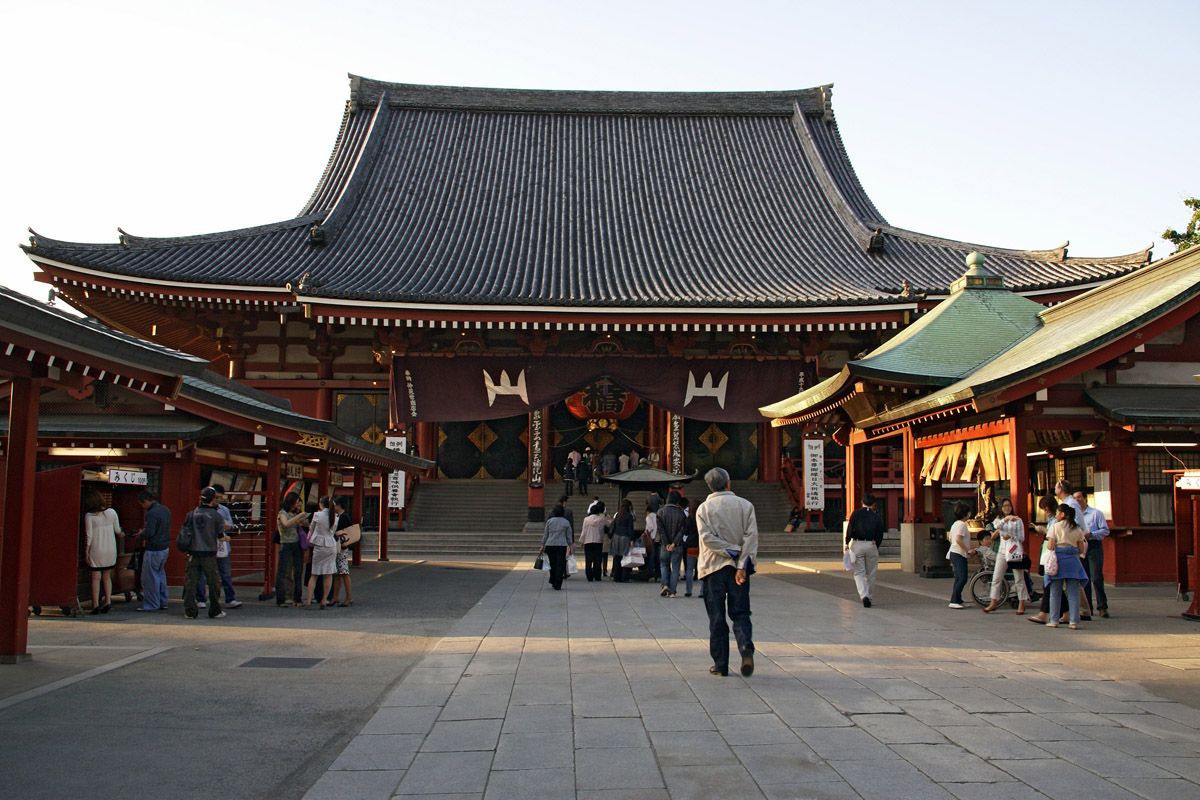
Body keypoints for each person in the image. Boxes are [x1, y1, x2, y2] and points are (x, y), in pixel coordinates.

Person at [696, 467, 758, 677]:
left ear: (709, 486)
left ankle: (721, 664)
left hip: (712, 568)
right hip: (738, 570)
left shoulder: (703, 509)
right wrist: (741, 563)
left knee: (717, 616)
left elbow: (707, 539)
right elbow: (751, 539)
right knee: (740, 613)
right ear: (728, 483)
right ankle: (745, 646)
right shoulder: (746, 505)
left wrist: (729, 551)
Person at [181, 487, 226, 620]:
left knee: (191, 582)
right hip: (209, 553)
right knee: (213, 582)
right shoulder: (216, 516)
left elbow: (185, 532)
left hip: (193, 553)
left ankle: (190, 611)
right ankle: (215, 610)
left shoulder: (191, 514)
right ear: (213, 499)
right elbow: (220, 535)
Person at [1044, 502, 1090, 629]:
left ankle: (1054, 620)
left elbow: (1050, 545)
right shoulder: (1077, 529)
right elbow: (1081, 549)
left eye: (1058, 512)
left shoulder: (1055, 526)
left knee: (1055, 591)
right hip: (1073, 561)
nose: (1056, 515)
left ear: (1063, 514)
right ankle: (1074, 621)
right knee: (1073, 592)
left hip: (1058, 560)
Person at [196, 484, 242, 609]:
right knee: (203, 574)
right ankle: (201, 598)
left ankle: (230, 598)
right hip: (207, 544)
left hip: (221, 546)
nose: (217, 500)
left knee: (225, 573)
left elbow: (230, 526)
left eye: (220, 498)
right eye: (216, 497)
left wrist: (226, 527)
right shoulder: (200, 511)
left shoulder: (224, 510)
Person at [984, 498, 1030, 615]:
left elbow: (1022, 537)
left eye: (1008, 506)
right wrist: (1005, 519)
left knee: (1019, 578)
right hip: (1002, 552)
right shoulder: (999, 520)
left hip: (1014, 551)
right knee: (996, 577)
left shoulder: (1018, 520)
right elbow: (997, 526)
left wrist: (1011, 536)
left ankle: (1021, 603)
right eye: (1004, 506)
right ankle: (993, 601)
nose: (1007, 508)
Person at [83, 491, 122, 614]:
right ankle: (108, 601)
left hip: (97, 547)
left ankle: (95, 604)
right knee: (107, 576)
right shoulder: (112, 512)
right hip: (110, 547)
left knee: (96, 577)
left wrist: (86, 551)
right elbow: (117, 530)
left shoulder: (89, 516)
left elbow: (89, 536)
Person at [1075, 490, 1110, 618]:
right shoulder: (1074, 515)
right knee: (1084, 578)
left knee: (1096, 577)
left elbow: (1105, 530)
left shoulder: (1096, 513)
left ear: (1085, 498)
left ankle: (1102, 606)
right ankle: (1087, 608)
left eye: (1079, 497)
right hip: (1080, 547)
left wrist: (1092, 534)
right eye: (1075, 498)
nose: (1077, 500)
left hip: (1094, 546)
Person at [845, 493, 885, 608]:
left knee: (859, 572)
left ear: (862, 502)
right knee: (871, 573)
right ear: (873, 504)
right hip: (871, 544)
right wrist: (876, 545)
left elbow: (850, 529)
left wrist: (847, 542)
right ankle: (870, 596)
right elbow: (880, 533)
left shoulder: (855, 514)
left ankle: (864, 596)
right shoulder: (876, 516)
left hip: (857, 544)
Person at [134, 489, 171, 612]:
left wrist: (140, 534)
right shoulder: (165, 510)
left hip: (154, 548)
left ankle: (151, 604)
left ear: (145, 501)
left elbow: (150, 532)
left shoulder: (151, 513)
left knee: (150, 577)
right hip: (164, 547)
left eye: (142, 504)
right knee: (160, 574)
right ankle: (162, 601)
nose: (142, 507)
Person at [1027, 496, 1060, 625]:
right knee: (1053, 583)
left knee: (1048, 582)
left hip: (1052, 552)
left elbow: (1055, 536)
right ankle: (1067, 613)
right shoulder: (1052, 519)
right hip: (1049, 552)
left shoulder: (1056, 520)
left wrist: (1043, 531)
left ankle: (1044, 613)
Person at [303, 497, 338, 608]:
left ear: (321, 504)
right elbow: (333, 531)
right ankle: (324, 600)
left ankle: (308, 600)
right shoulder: (335, 516)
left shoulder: (317, 515)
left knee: (314, 574)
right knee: (328, 574)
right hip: (331, 545)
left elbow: (311, 530)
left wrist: (308, 543)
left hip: (319, 545)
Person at [275, 491, 308, 607]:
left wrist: (302, 520)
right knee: (283, 571)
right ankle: (281, 598)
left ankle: (297, 598)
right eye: (296, 502)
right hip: (286, 544)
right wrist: (299, 516)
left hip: (297, 543)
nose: (297, 505)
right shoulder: (282, 513)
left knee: (298, 571)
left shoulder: (295, 513)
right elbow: (285, 524)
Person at [656, 491, 687, 598]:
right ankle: (673, 591)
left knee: (664, 565)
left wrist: (667, 543)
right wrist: (674, 543)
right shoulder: (681, 513)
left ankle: (665, 585)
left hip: (664, 546)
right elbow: (682, 530)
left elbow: (661, 530)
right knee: (676, 568)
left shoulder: (660, 512)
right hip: (677, 545)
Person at [946, 502, 974, 609]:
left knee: (958, 577)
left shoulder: (955, 524)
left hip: (954, 552)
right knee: (962, 578)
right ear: (966, 514)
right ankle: (954, 600)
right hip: (958, 553)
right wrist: (968, 550)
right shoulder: (962, 525)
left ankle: (957, 599)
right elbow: (958, 539)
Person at [329, 496, 355, 607]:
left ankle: (348, 597)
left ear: (339, 505)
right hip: (339, 547)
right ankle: (335, 597)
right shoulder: (341, 516)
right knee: (338, 573)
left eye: (335, 504)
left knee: (343, 572)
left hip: (342, 547)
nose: (333, 506)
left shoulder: (343, 517)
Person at [541, 504, 573, 590]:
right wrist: (570, 546)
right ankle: (558, 582)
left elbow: (546, 535)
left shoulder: (549, 521)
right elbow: (569, 536)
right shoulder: (566, 522)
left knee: (552, 563)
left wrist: (542, 545)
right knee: (560, 564)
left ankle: (553, 579)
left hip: (550, 544)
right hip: (561, 545)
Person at [578, 500, 610, 581]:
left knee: (588, 560)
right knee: (597, 560)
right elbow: (609, 524)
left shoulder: (586, 519)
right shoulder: (601, 519)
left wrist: (581, 541)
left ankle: (589, 576)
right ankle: (597, 575)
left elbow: (584, 531)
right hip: (598, 541)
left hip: (588, 541)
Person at [610, 498, 635, 582]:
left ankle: (616, 576)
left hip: (616, 537)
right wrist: (632, 539)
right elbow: (630, 529)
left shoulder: (618, 515)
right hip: (625, 538)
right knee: (625, 558)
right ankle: (624, 577)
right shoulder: (629, 516)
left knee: (617, 557)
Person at [680, 496, 700, 598]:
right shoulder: (702, 518)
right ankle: (702, 592)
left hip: (691, 546)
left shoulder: (688, 519)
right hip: (701, 546)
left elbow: (685, 532)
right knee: (701, 568)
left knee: (689, 569)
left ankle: (688, 590)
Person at [643, 496, 660, 581]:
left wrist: (646, 532)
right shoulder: (657, 515)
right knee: (657, 556)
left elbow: (650, 527)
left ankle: (650, 573)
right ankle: (658, 573)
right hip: (657, 538)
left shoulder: (649, 516)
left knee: (651, 557)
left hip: (651, 538)